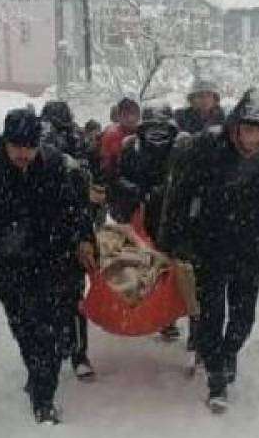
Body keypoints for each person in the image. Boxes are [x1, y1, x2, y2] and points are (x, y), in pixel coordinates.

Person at [158, 86, 259, 412]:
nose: (250, 138)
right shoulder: (209, 147)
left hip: (251, 248)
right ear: (235, 125)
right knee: (209, 313)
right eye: (246, 128)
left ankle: (229, 351)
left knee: (243, 316)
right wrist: (175, 241)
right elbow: (178, 194)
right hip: (208, 245)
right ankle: (216, 376)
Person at [0, 106, 97, 424]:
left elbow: (76, 208)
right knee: (25, 328)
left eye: (30, 147)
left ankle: (43, 398)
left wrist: (83, 239)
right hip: (7, 264)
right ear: (5, 143)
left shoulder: (55, 166)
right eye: (17, 147)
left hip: (53, 260)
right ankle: (38, 370)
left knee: (48, 329)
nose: (24, 154)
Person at [111, 106, 183, 341]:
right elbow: (119, 178)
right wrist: (134, 195)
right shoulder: (130, 147)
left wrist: (167, 193)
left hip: (176, 217)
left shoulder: (183, 146)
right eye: (153, 126)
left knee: (178, 271)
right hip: (142, 216)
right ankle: (156, 314)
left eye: (163, 127)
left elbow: (191, 179)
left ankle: (173, 316)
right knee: (148, 268)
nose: (158, 133)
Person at [39, 100, 95, 380]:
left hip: (69, 226)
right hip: (45, 232)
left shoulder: (76, 142)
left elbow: (86, 182)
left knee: (71, 295)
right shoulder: (39, 139)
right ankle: (69, 350)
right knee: (60, 297)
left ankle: (75, 351)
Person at [98, 96, 141, 183]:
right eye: (125, 114)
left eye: (134, 113)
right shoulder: (112, 134)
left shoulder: (142, 130)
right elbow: (108, 168)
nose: (131, 118)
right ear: (119, 116)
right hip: (119, 182)